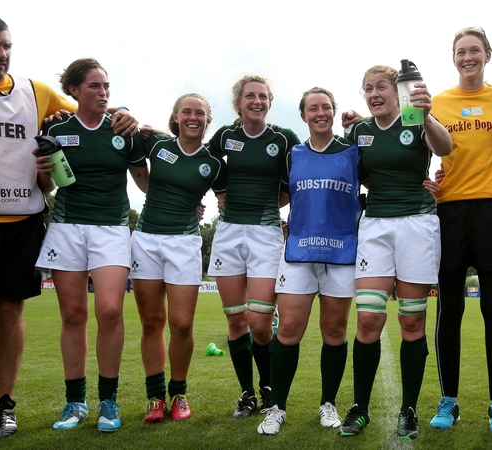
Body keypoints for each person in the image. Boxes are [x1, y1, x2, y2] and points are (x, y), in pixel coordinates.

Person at [0, 11, 135, 441]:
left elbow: (94, 111)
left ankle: (3, 404)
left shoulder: (36, 92)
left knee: (10, 312)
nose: (1, 53)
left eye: (6, 45)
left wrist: (126, 111)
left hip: (23, 221)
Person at [337, 65, 452, 440]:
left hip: (417, 224)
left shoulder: (415, 119)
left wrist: (427, 114)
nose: (374, 94)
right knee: (368, 319)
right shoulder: (359, 131)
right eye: (368, 88)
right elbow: (355, 174)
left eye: (381, 87)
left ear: (397, 91)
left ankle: (409, 410)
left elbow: (445, 148)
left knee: (411, 322)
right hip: (375, 225)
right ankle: (360, 408)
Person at [35, 58, 148, 433]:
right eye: (94, 86)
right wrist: (42, 175)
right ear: (74, 90)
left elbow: (145, 181)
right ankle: (75, 402)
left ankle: (108, 401)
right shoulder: (56, 128)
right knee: (72, 316)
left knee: (111, 311)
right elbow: (50, 186)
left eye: (106, 86)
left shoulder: (123, 128)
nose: (103, 93)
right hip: (67, 227)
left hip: (111, 228)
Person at [427, 26, 492, 434]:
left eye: (475, 50)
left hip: (491, 212)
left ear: (488, 54)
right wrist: (425, 181)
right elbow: (407, 141)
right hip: (448, 213)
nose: (467, 57)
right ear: (453, 58)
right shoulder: (437, 102)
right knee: (449, 311)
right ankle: (448, 400)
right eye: (460, 51)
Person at [256, 87, 362, 435]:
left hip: (341, 252)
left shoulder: (353, 151)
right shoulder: (293, 155)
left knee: (334, 330)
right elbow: (278, 194)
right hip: (299, 252)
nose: (321, 113)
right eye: (313, 108)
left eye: (326, 107)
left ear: (334, 111)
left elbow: (382, 180)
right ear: (303, 115)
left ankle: (328, 403)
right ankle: (277, 407)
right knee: (287, 329)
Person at [206, 75, 299, 419]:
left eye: (262, 96)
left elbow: (294, 180)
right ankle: (247, 394)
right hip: (229, 231)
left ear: (269, 103)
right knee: (235, 321)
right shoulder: (225, 136)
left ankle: (268, 385)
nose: (257, 101)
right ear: (238, 103)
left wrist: (278, 207)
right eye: (250, 96)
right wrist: (219, 193)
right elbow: (203, 161)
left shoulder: (283, 138)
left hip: (266, 232)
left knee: (259, 322)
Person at [132, 94, 226, 423]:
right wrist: (125, 112)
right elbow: (126, 140)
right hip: (146, 239)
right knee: (151, 322)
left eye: (200, 113)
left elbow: (225, 200)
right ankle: (155, 398)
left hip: (184, 242)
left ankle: (179, 393)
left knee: (182, 324)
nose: (193, 117)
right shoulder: (156, 144)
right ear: (175, 116)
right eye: (186, 111)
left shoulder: (214, 163)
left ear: (208, 120)